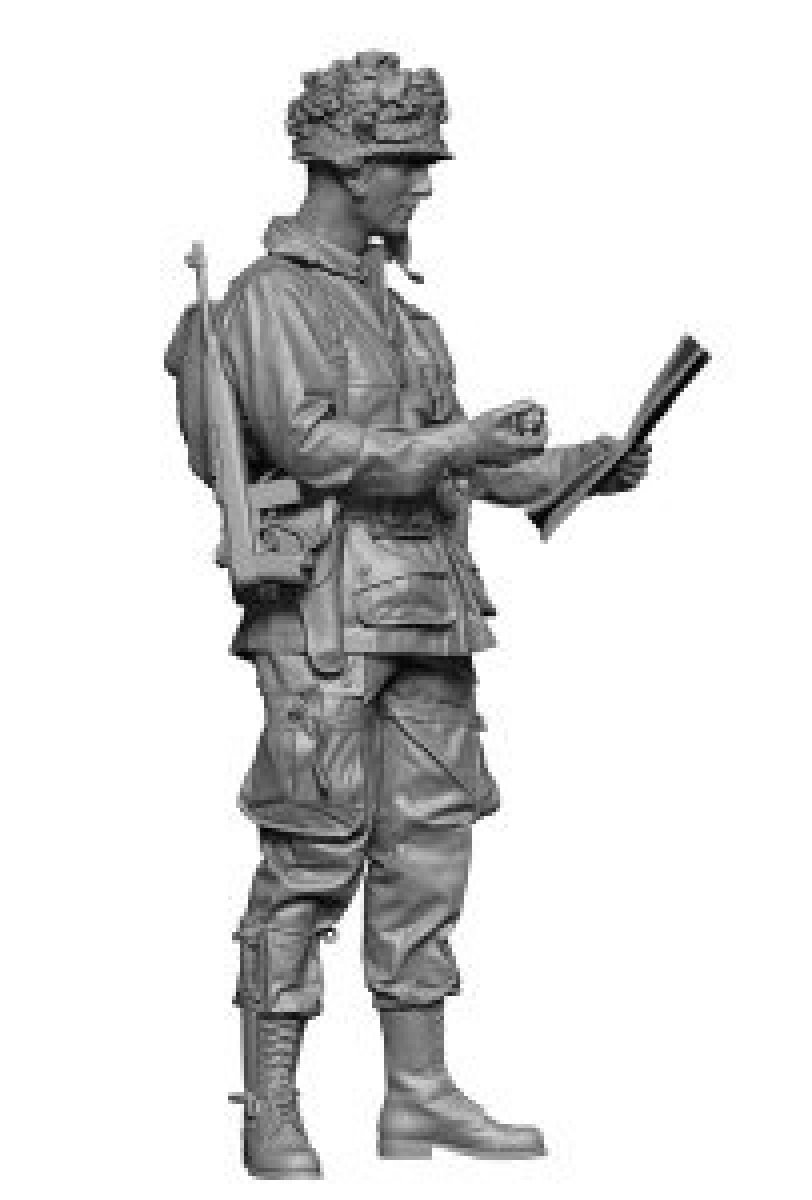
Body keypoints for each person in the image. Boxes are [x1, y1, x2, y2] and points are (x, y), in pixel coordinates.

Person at [166, 50, 649, 1179]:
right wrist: (460, 442)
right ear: (349, 165)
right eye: (407, 165)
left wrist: (583, 464)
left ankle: (418, 1096)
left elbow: (456, 465)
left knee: (429, 855)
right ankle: (272, 1106)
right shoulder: (273, 298)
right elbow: (313, 447)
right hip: (324, 621)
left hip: (429, 616)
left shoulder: (407, 319)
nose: (423, 186)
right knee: (311, 852)